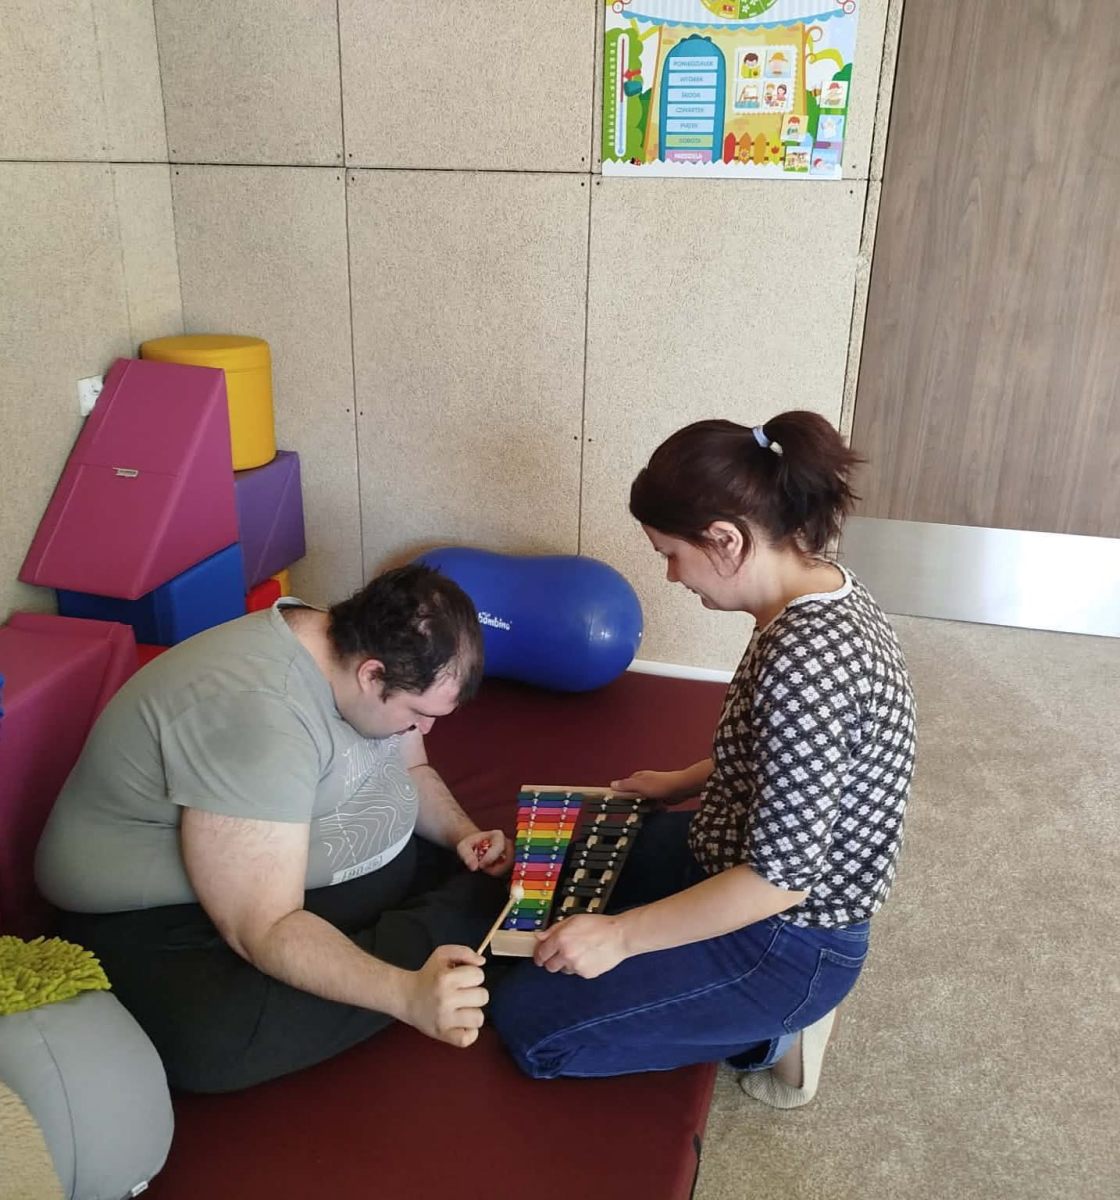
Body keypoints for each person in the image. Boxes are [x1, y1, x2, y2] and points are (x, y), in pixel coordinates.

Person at [490, 413, 916, 1108]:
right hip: (730, 846)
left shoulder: (807, 666)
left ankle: (775, 1036)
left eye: (670, 553)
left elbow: (778, 882)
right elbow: (787, 756)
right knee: (562, 863)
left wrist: (622, 937)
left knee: (531, 1024)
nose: (669, 574)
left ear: (725, 540)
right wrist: (683, 781)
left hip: (788, 938)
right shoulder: (816, 584)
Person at [36, 564, 510, 1093]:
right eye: (418, 714)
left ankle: (454, 927)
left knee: (451, 874)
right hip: (153, 914)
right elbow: (264, 926)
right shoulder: (261, 719)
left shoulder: (346, 639)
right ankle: (457, 935)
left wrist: (462, 833)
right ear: (371, 675)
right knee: (213, 1045)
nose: (425, 729)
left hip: (281, 867)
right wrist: (407, 995)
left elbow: (411, 768)